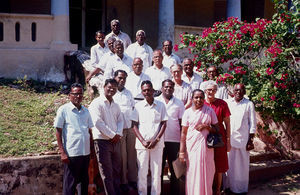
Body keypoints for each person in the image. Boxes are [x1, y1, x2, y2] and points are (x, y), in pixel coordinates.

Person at [54, 83, 94, 195]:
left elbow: (89, 131)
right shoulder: (64, 110)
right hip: (72, 153)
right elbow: (58, 131)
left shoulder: (86, 111)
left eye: (80, 94)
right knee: (70, 185)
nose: (78, 96)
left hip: (85, 153)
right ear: (70, 95)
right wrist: (62, 152)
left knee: (84, 184)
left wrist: (91, 150)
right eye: (75, 94)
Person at [179, 89, 219, 195]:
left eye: (201, 97)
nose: (199, 100)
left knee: (207, 171)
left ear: (204, 99)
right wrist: (182, 151)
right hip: (191, 147)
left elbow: (217, 129)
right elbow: (183, 133)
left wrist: (207, 127)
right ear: (192, 99)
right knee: (192, 171)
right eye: (196, 97)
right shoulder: (187, 113)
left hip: (207, 148)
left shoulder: (210, 111)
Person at [131, 80, 167, 195]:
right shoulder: (137, 106)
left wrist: (156, 140)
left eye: (149, 90)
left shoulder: (161, 105)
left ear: (153, 91)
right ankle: (142, 193)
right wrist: (142, 141)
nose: (147, 92)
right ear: (142, 92)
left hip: (157, 144)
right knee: (142, 172)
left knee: (157, 173)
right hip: (142, 145)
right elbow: (134, 125)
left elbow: (164, 124)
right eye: (144, 90)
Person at [89, 79, 124, 195]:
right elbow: (97, 122)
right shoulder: (96, 103)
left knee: (117, 170)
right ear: (104, 87)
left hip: (116, 141)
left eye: (114, 88)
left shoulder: (116, 105)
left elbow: (120, 120)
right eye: (109, 87)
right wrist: (112, 135)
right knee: (106, 172)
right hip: (102, 141)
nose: (111, 89)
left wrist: (118, 134)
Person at [225, 83, 257, 194]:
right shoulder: (228, 103)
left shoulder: (248, 104)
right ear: (233, 92)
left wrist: (250, 140)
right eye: (236, 90)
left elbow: (252, 123)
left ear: (244, 92)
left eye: (241, 90)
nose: (238, 92)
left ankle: (241, 189)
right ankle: (228, 187)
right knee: (229, 165)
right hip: (230, 139)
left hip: (243, 140)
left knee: (242, 166)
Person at [202, 80, 231, 195]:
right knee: (206, 164)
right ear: (205, 91)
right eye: (209, 90)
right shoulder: (201, 103)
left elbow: (228, 123)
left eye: (213, 90)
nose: (211, 92)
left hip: (219, 137)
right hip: (205, 137)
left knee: (219, 166)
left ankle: (218, 190)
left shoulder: (222, 104)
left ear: (216, 91)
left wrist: (228, 141)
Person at [157, 79, 185, 195]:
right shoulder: (156, 101)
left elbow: (182, 122)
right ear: (162, 88)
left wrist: (182, 142)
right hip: (159, 141)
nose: (168, 89)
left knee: (175, 172)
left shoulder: (179, 103)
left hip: (174, 140)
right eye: (166, 87)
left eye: (170, 87)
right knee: (159, 171)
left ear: (174, 89)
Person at [113, 70, 138, 192]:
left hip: (130, 128)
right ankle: (123, 181)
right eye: (119, 78)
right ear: (115, 78)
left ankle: (133, 180)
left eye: (124, 78)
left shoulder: (129, 93)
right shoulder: (111, 93)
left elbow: (133, 109)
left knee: (132, 156)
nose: (122, 80)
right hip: (119, 130)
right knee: (122, 157)